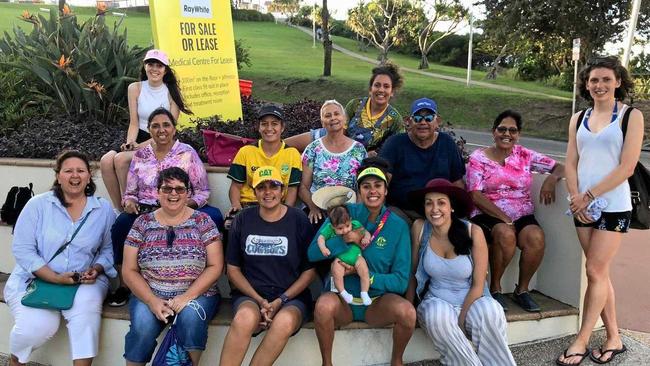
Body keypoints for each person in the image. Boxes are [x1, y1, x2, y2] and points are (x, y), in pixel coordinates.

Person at [556, 56, 643, 366]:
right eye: (594, 80)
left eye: (607, 79)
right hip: (581, 206)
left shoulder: (631, 116)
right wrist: (575, 197)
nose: (600, 85)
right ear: (586, 84)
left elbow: (627, 166)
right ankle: (614, 337)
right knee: (599, 273)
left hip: (614, 206)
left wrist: (589, 195)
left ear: (618, 82)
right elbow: (571, 160)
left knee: (594, 270)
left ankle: (581, 339)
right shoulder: (578, 117)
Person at [4, 150, 116, 366]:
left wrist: (99, 268)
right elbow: (23, 249)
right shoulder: (38, 205)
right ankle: (15, 362)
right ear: (58, 176)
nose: (75, 176)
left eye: (81, 171)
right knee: (38, 326)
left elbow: (108, 249)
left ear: (89, 175)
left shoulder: (102, 210)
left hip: (82, 280)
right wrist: (54, 278)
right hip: (36, 279)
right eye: (68, 171)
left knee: (87, 307)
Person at [108, 107, 222, 307]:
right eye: (155, 126)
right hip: (147, 211)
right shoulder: (141, 155)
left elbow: (203, 191)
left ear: (174, 129)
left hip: (183, 207)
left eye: (166, 125)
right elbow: (130, 192)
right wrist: (130, 202)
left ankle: (207, 280)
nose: (161, 130)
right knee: (120, 225)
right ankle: (126, 285)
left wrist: (187, 204)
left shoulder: (187, 153)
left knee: (215, 217)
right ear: (149, 130)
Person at [308, 158, 415, 366]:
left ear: (386, 191)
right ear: (359, 191)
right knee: (322, 306)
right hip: (342, 299)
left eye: (377, 186)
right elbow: (312, 253)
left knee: (407, 312)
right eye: (366, 186)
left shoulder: (398, 225)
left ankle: (397, 361)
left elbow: (401, 281)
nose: (372, 191)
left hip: (376, 302)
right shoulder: (345, 213)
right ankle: (326, 363)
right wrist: (344, 240)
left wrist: (366, 275)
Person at [406, 178, 516, 366]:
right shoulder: (420, 228)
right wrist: (408, 308)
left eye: (441, 203)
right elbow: (413, 273)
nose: (434, 209)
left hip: (471, 300)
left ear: (452, 207)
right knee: (436, 316)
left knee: (490, 312)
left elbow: (478, 284)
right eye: (429, 203)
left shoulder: (473, 232)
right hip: (436, 300)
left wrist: (461, 319)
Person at [465, 110, 565, 313]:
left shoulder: (525, 155)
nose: (506, 134)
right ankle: (495, 289)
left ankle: (522, 291)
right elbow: (475, 195)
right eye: (502, 129)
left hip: (522, 213)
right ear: (493, 132)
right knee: (505, 234)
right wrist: (504, 218)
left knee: (536, 237)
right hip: (488, 213)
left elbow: (560, 167)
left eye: (512, 130)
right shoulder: (479, 158)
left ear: (518, 134)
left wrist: (551, 180)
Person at [122, 167, 223, 366]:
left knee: (191, 319)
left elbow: (215, 265)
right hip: (151, 292)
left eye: (180, 189)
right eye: (167, 189)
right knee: (142, 325)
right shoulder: (142, 223)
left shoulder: (203, 221)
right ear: (157, 192)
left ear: (188, 193)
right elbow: (129, 270)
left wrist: (186, 297)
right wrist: (152, 301)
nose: (173, 194)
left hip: (198, 294)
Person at [220, 166, 317, 366]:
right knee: (244, 318)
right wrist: (260, 301)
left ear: (283, 191)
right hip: (251, 296)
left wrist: (280, 301)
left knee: (284, 322)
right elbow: (233, 270)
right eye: (261, 187)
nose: (267, 192)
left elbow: (309, 271)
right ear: (254, 192)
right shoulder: (243, 219)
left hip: (291, 297)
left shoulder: (298, 219)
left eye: (274, 186)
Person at [100, 49, 193, 210]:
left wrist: (141, 146)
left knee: (121, 160)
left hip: (161, 139)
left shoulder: (171, 91)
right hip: (139, 136)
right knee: (106, 160)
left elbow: (170, 129)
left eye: (159, 66)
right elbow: (134, 123)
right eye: (150, 64)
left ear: (165, 70)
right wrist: (131, 142)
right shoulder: (135, 88)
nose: (154, 69)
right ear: (144, 66)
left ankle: (128, 203)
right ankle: (118, 208)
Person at [379, 97, 466, 225]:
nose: (423, 122)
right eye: (418, 118)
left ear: (437, 121)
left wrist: (459, 214)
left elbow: (458, 183)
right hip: (402, 210)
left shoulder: (447, 143)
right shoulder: (395, 143)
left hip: (438, 211)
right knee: (394, 223)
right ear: (409, 121)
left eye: (429, 118)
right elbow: (382, 181)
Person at [286, 63, 404, 155]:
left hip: (358, 156)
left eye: (386, 86)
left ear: (392, 91)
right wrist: (327, 148)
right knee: (284, 145)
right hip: (332, 136)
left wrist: (372, 154)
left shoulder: (394, 119)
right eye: (377, 85)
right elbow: (340, 131)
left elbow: (394, 148)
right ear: (370, 89)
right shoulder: (355, 104)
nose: (381, 90)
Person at [226, 105, 302, 226]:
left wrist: (285, 213)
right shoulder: (246, 151)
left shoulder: (292, 154)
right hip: (249, 205)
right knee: (230, 225)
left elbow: (292, 190)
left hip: (277, 205)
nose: (269, 128)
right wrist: (236, 207)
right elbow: (235, 187)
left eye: (274, 124)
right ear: (259, 127)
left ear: (282, 127)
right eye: (264, 124)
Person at [299, 100, 367, 225]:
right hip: (318, 210)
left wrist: (356, 214)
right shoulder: (313, 149)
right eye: (327, 115)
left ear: (344, 118)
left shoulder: (359, 150)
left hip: (349, 211)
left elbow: (363, 187)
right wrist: (313, 208)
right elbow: (303, 187)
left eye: (336, 114)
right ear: (322, 122)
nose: (333, 118)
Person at [317, 204, 372, 305]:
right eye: (340, 228)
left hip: (356, 256)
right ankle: (343, 293)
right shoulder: (329, 229)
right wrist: (323, 248)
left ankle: (364, 293)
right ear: (333, 226)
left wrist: (366, 238)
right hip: (340, 258)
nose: (345, 230)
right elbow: (320, 238)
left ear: (350, 220)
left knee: (364, 270)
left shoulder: (355, 224)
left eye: (347, 226)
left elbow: (366, 232)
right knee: (336, 271)